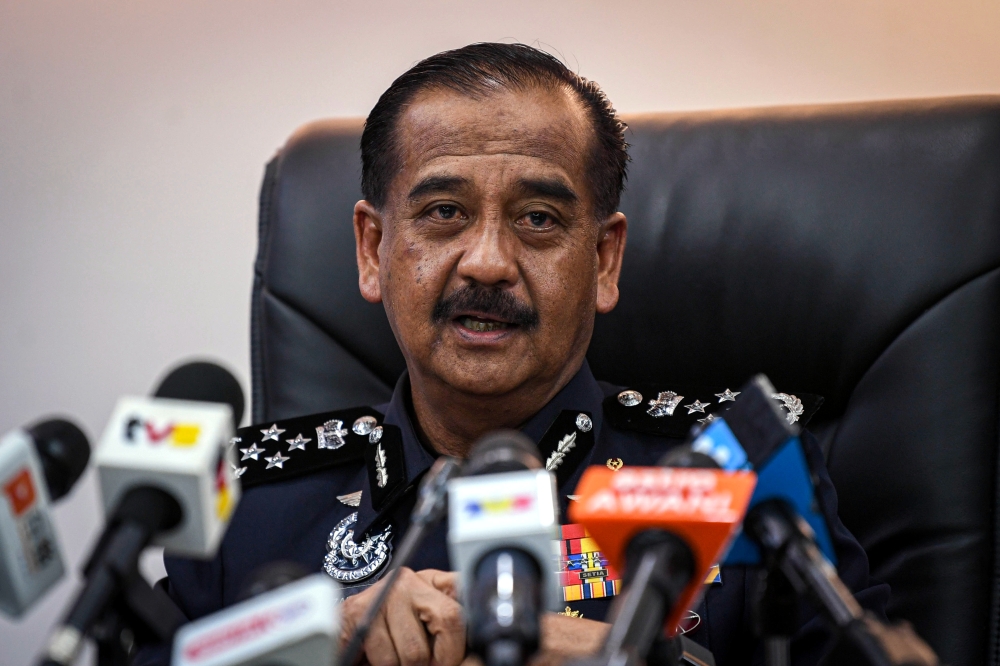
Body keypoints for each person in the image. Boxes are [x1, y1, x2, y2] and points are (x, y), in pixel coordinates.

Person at [142, 43, 888, 666]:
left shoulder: (738, 473)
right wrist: (314, 644)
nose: (488, 263)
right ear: (372, 251)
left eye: (537, 218)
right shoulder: (246, 507)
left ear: (602, 260)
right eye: (444, 214)